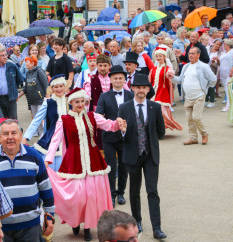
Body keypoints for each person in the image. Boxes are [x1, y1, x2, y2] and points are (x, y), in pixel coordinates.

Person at [45, 88, 124, 241]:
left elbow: (109, 125)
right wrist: (48, 158)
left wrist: (118, 123)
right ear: (71, 103)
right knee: (77, 197)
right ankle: (75, 222)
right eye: (77, 102)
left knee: (91, 196)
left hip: (94, 161)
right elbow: (56, 139)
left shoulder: (92, 116)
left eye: (83, 101)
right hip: (74, 162)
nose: (80, 104)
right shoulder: (64, 119)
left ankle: (87, 228)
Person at [0, 119, 55, 242]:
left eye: (14, 133)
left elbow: (45, 187)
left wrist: (50, 215)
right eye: (5, 134)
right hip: (0, 228)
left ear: (20, 134)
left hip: (31, 226)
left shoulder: (34, 156)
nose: (10, 137)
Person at [117, 73, 166, 239]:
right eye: (138, 87)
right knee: (134, 191)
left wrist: (149, 141)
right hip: (133, 155)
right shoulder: (124, 108)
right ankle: (136, 220)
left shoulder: (155, 107)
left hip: (150, 155)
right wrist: (123, 132)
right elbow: (121, 133)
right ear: (132, 89)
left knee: (152, 191)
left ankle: (157, 227)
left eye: (144, 87)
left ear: (148, 89)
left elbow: (161, 131)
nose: (141, 90)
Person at [95, 65, 133, 208]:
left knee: (124, 166)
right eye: (115, 78)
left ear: (124, 80)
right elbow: (98, 113)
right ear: (110, 80)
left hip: (125, 137)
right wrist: (108, 123)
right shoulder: (104, 96)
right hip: (109, 137)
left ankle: (121, 192)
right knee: (110, 167)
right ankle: (111, 194)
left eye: (120, 78)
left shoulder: (130, 95)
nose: (118, 80)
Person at [22, 75, 67, 171]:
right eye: (56, 87)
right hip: (52, 138)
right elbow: (36, 120)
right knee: (53, 169)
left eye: (61, 86)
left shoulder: (70, 101)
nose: (59, 89)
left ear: (65, 86)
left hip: (69, 140)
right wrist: (26, 137)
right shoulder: (48, 102)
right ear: (52, 88)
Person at [176, 47, 217, 145]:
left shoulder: (203, 66)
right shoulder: (186, 66)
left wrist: (205, 88)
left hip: (199, 96)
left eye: (193, 53)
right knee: (189, 119)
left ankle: (204, 133)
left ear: (198, 55)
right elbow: (179, 80)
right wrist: (171, 77)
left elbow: (213, 79)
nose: (190, 55)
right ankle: (193, 138)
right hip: (188, 98)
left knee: (196, 117)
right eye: (189, 53)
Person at [150, 47, 183, 131]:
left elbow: (171, 74)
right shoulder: (154, 69)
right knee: (153, 111)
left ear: (164, 57)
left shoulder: (168, 68)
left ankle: (162, 127)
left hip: (163, 92)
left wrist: (170, 74)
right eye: (157, 56)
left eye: (160, 56)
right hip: (154, 93)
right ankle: (157, 128)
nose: (158, 58)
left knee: (162, 111)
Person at [0, 47, 24, 119]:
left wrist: (14, 91)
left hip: (11, 98)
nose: (5, 57)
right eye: (2, 55)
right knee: (0, 120)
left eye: (5, 55)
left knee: (13, 120)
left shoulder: (12, 66)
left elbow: (20, 80)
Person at [17, 55, 48, 136]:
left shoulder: (39, 72)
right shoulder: (28, 73)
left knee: (41, 119)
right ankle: (39, 134)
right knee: (35, 120)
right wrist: (19, 95)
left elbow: (46, 85)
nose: (25, 64)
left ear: (32, 63)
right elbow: (26, 87)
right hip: (32, 100)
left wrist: (47, 97)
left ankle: (44, 135)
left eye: (27, 62)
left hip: (40, 99)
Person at [216, 39, 233, 112]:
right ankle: (229, 104)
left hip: (230, 73)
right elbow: (220, 63)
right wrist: (217, 60)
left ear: (229, 45)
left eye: (225, 44)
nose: (224, 46)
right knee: (226, 90)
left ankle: (229, 105)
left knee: (229, 89)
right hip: (223, 73)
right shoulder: (223, 52)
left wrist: (232, 71)